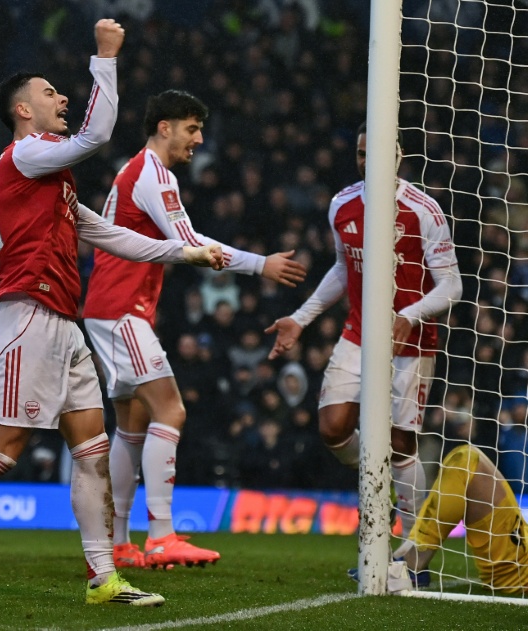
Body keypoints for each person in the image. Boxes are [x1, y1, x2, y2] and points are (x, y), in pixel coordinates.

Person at [0, 19, 225, 606]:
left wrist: (185, 251)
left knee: (90, 449)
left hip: (63, 320)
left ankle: (102, 577)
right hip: (25, 314)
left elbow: (110, 234)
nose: (61, 98)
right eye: (50, 93)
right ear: (23, 112)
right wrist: (105, 58)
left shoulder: (52, 182)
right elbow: (94, 136)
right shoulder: (24, 156)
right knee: (1, 451)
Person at [81, 89, 307, 569]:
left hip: (111, 307)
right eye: (191, 128)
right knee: (171, 410)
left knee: (132, 426)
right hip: (121, 310)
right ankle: (161, 535)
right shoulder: (153, 175)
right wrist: (258, 264)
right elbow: (190, 244)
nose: (198, 140)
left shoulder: (134, 171)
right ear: (164, 127)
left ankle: (119, 543)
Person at [265, 122, 461, 550]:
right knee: (333, 428)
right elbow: (342, 268)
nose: (366, 162)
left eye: (375, 153)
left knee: (402, 441)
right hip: (359, 332)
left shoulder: (422, 210)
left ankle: (413, 551)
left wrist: (410, 313)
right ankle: (380, 479)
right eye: (360, 154)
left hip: (411, 338)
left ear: (399, 156)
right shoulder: (342, 205)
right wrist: (300, 319)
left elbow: (452, 285)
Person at [391, 444, 528, 593]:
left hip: (520, 573)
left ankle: (412, 564)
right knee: (466, 459)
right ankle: (412, 558)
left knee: (464, 461)